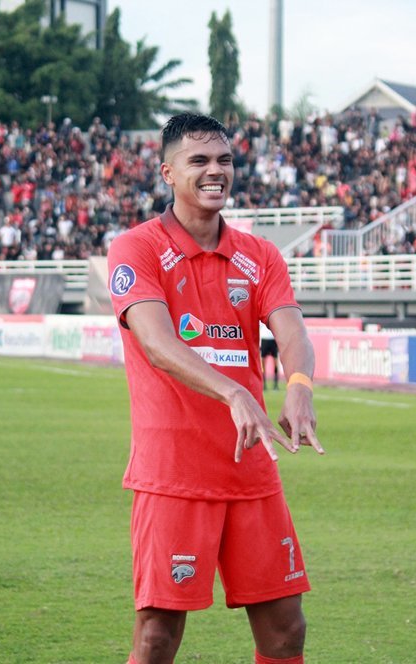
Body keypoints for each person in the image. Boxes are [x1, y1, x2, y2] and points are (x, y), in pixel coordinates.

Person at [107, 112, 324, 664]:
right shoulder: (136, 248)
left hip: (251, 470)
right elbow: (156, 342)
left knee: (285, 632)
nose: (215, 171)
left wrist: (298, 384)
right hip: (174, 473)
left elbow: (292, 330)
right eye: (198, 161)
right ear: (167, 173)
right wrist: (234, 392)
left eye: (224, 160)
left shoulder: (260, 255)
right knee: (157, 636)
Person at [260, 322, 280, 390]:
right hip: (264, 339)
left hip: (273, 339)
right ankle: (264, 385)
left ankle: (275, 385)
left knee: (276, 363)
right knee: (262, 364)